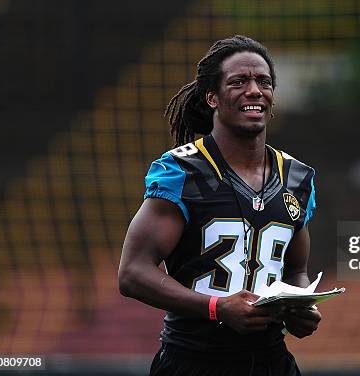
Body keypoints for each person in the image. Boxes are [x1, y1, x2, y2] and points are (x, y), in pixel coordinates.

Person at [118, 35, 321, 376]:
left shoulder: (297, 178)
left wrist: (302, 307)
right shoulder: (181, 172)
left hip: (272, 361)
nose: (254, 90)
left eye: (264, 82)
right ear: (212, 97)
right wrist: (216, 307)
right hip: (195, 360)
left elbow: (295, 269)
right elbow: (133, 273)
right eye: (239, 81)